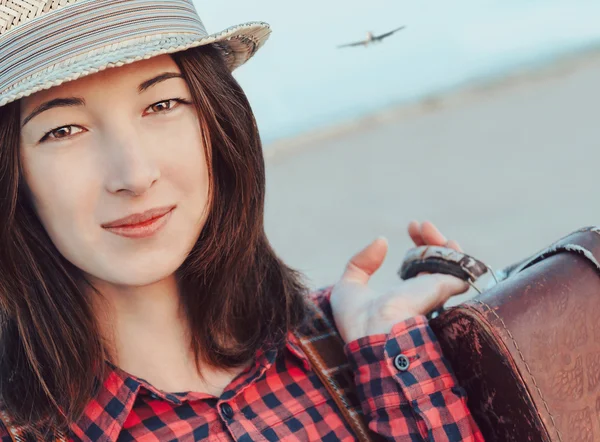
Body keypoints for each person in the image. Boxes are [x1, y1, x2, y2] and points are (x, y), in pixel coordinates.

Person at [0, 1, 484, 440]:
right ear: (14, 175)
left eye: (163, 104)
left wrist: (385, 344)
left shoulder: (347, 350)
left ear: (218, 121)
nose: (135, 174)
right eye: (63, 130)